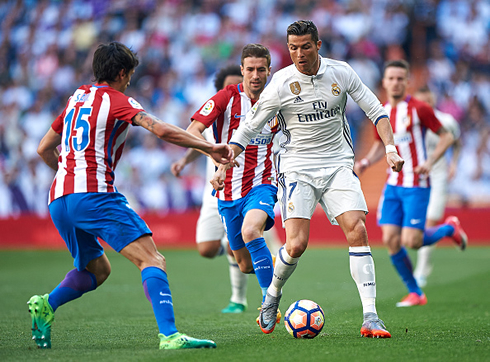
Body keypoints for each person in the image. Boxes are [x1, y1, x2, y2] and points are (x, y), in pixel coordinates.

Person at [29, 42, 233, 350]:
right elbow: (161, 130)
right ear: (123, 73)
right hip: (94, 194)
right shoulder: (117, 100)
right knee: (152, 258)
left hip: (58, 198)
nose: (129, 80)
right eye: (130, 74)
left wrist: (68, 175)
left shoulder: (76, 99)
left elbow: (44, 148)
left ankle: (47, 304)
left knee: (97, 270)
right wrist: (209, 147)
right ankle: (170, 335)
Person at [216, 20, 403, 338]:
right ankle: (272, 295)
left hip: (337, 165)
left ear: (318, 45)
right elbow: (249, 125)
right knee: (297, 244)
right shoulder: (280, 82)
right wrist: (225, 160)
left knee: (357, 229)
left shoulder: (341, 72)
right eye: (292, 48)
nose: (299, 54)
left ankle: (371, 316)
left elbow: (376, 110)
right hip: (296, 168)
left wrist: (390, 148)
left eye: (305, 46)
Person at [354, 60, 467, 308]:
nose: (395, 82)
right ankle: (415, 292)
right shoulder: (382, 110)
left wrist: (430, 162)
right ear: (384, 82)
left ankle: (449, 228)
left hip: (416, 182)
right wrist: (365, 162)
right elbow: (379, 145)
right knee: (391, 240)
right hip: (393, 184)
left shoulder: (419, 109)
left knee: (412, 241)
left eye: (399, 78)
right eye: (390, 78)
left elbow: (448, 136)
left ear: (407, 82)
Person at [172, 64, 279, 314]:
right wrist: (186, 161)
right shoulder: (219, 106)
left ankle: (247, 299)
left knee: (250, 232)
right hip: (220, 191)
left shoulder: (264, 107)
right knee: (210, 249)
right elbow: (196, 138)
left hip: (256, 185)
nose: (246, 83)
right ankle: (266, 261)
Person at [412, 86, 462, 288]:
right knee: (412, 229)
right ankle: (450, 228)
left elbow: (457, 143)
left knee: (428, 223)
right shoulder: (410, 122)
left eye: (428, 101)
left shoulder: (447, 121)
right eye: (421, 102)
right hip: (416, 180)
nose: (426, 106)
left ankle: (421, 270)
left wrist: (454, 164)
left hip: (438, 178)